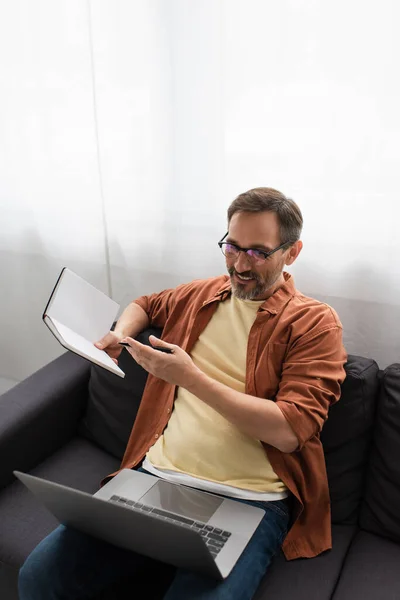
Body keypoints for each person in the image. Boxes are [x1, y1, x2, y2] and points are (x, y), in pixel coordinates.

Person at [19, 187, 347, 600]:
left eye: (258, 253)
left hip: (249, 500)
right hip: (156, 478)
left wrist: (191, 378)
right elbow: (146, 303)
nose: (240, 264)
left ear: (292, 252)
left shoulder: (315, 324)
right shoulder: (200, 295)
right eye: (232, 246)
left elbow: (289, 431)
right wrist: (121, 333)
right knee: (40, 577)